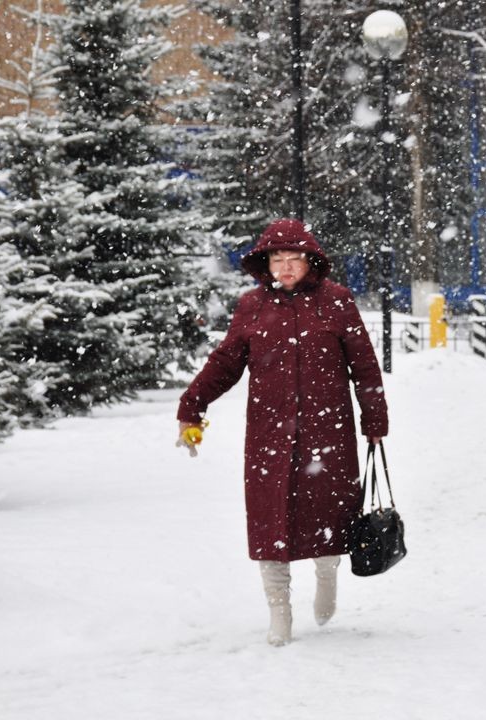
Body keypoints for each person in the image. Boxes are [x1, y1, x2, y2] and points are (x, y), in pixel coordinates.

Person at [176, 218, 388, 647]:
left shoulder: (336, 301)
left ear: (311, 261)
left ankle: (327, 576)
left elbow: (364, 366)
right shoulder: (252, 306)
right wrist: (191, 406)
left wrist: (374, 421)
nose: (286, 267)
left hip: (327, 432)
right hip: (269, 435)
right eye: (278, 259)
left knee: (330, 516)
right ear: (266, 263)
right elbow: (226, 363)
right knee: (269, 522)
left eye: (294, 259)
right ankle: (279, 611)